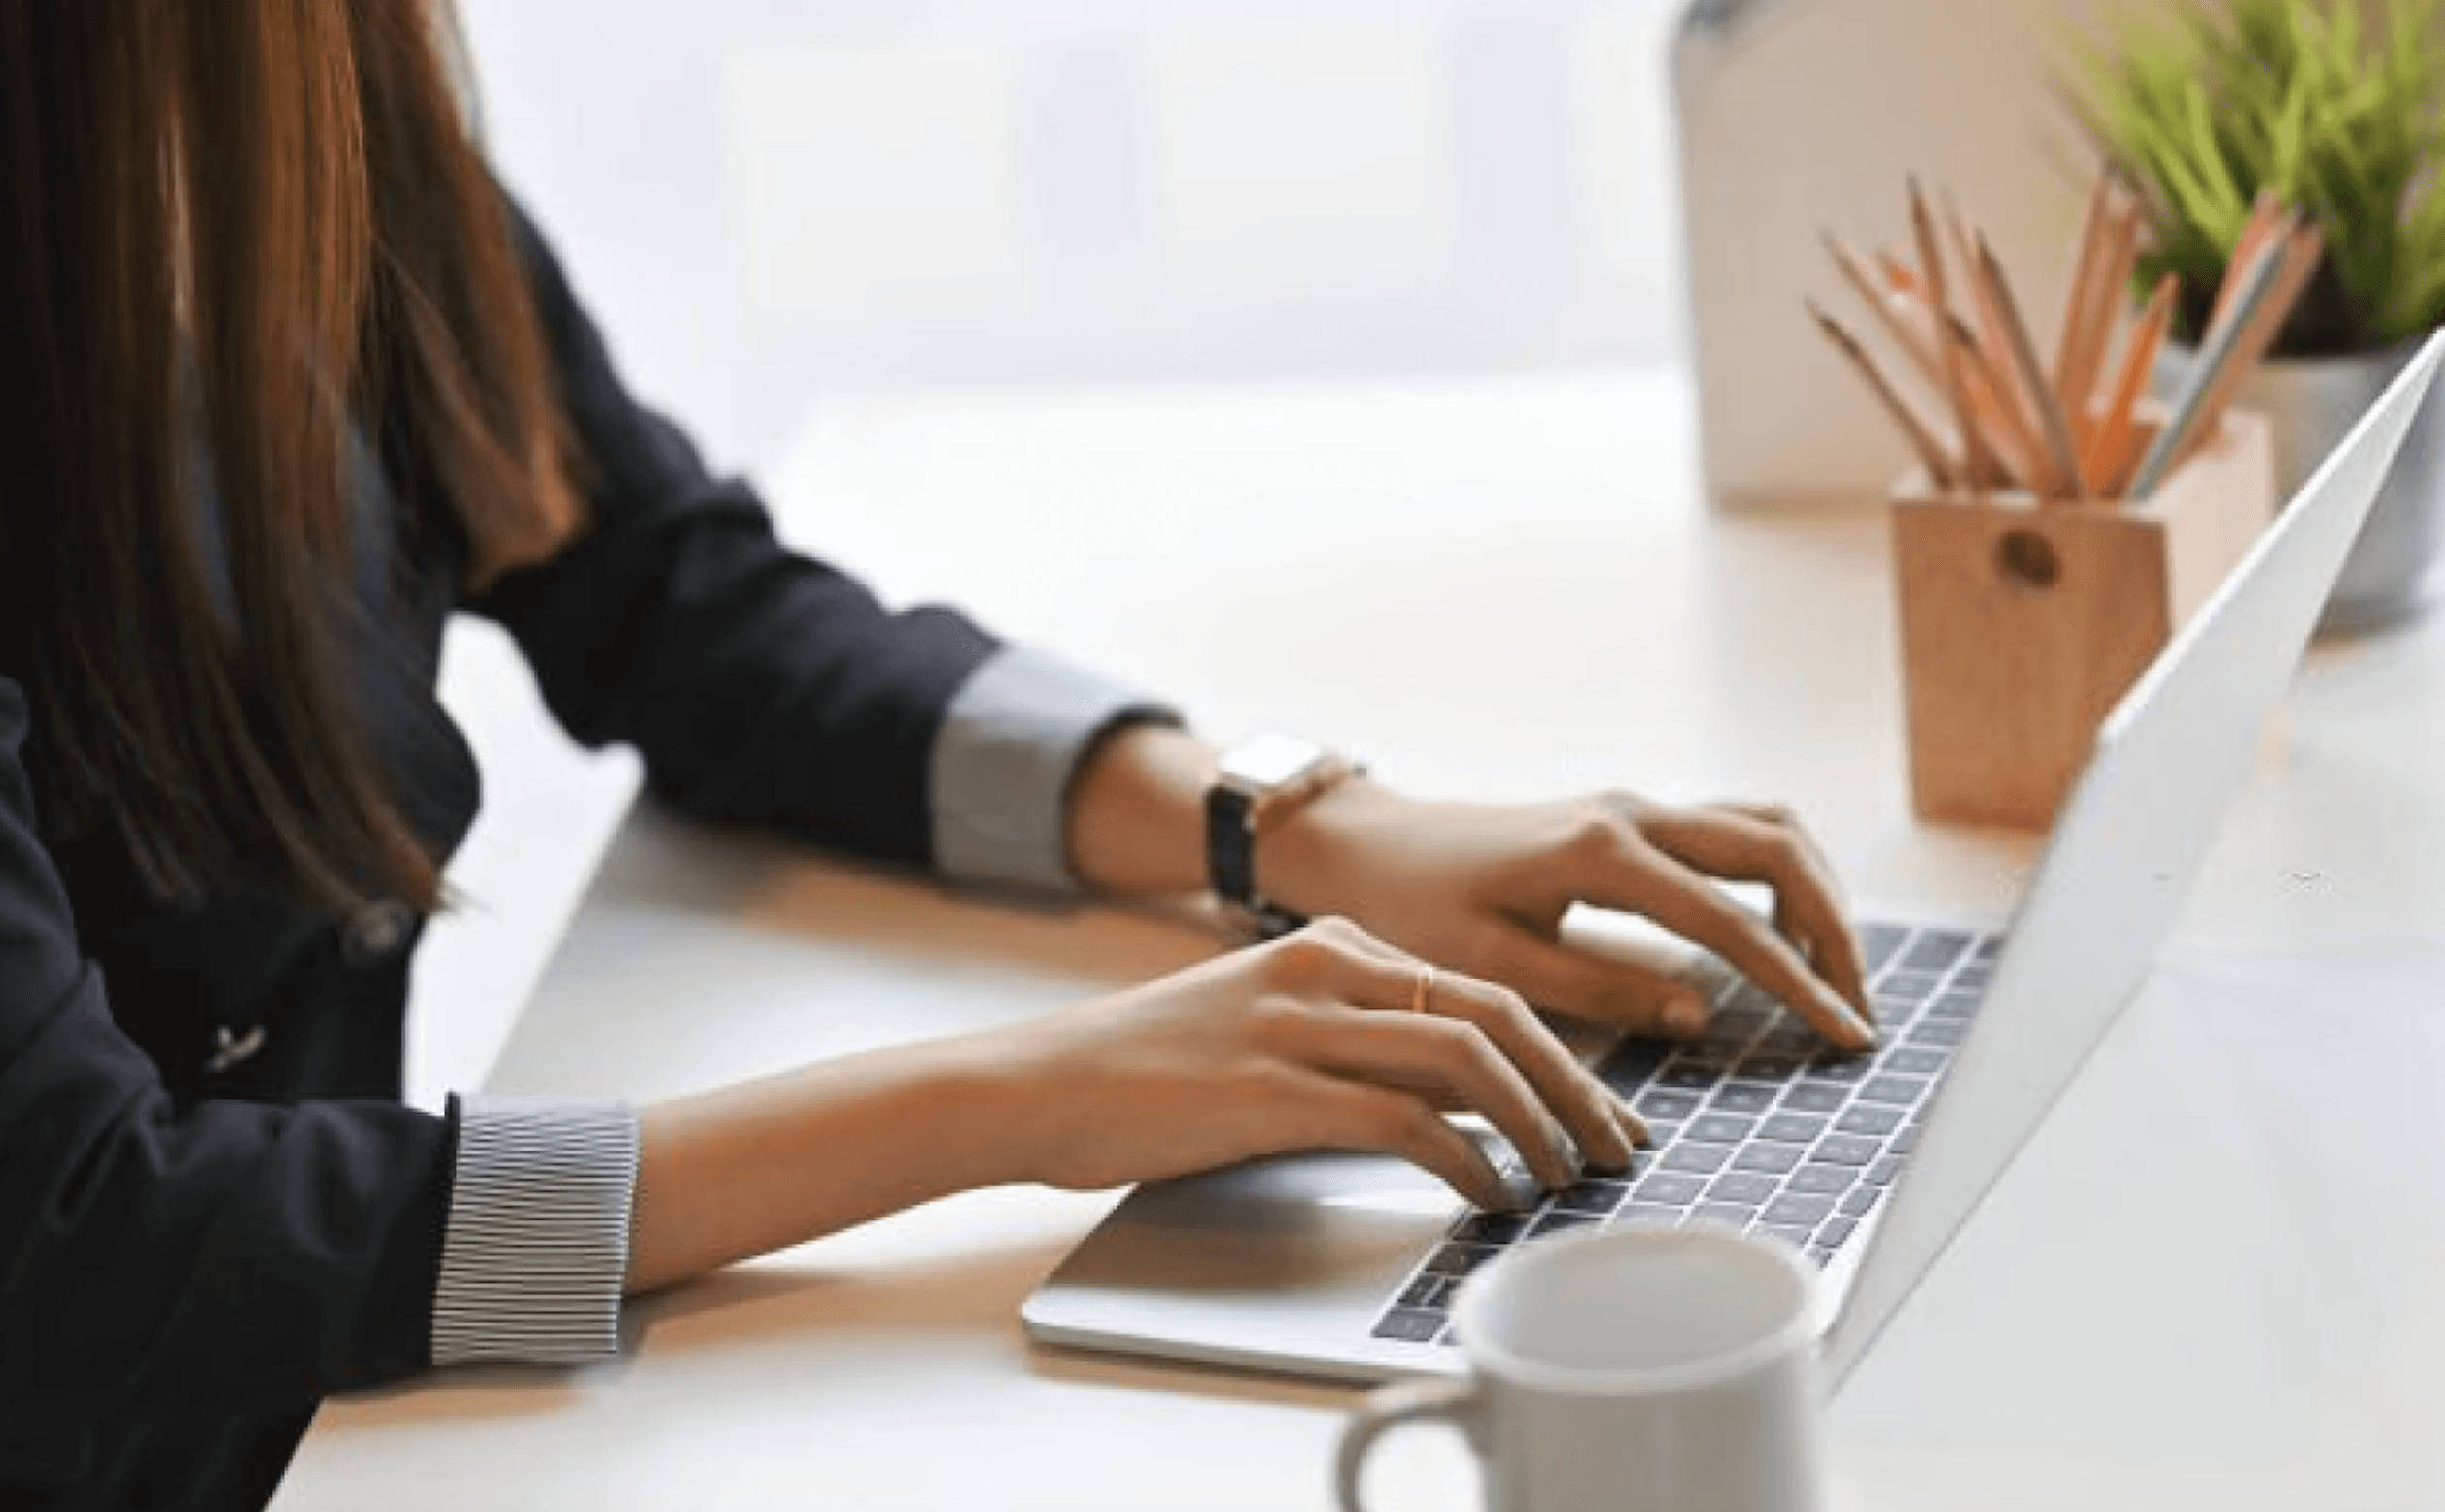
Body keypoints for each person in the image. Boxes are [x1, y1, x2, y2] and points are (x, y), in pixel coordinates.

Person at [0, 6, 1877, 1509]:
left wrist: (1290, 824)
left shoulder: (289, 108)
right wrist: (1023, 1103)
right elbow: (87, 1240)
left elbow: (674, 600)